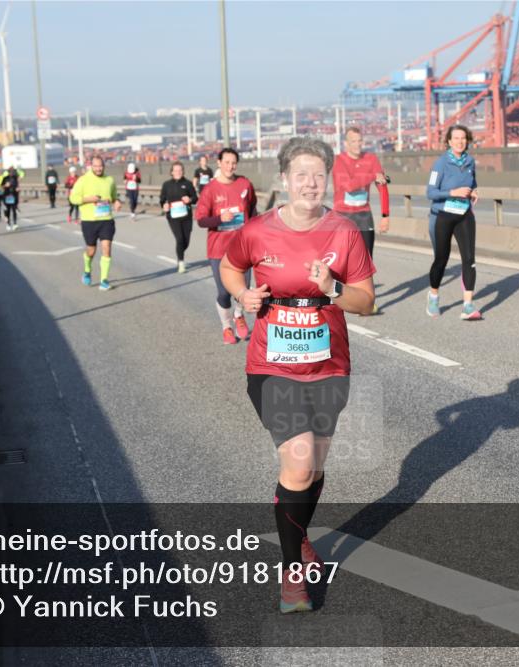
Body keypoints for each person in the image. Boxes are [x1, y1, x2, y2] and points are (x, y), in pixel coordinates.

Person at [219, 137, 375, 613]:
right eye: (301, 173)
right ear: (284, 180)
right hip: (271, 364)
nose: (310, 182)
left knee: (316, 468)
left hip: (329, 365)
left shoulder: (344, 232)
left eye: (318, 174)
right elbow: (230, 266)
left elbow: (366, 302)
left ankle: (299, 535)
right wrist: (242, 294)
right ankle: (292, 576)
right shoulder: (258, 231)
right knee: (300, 462)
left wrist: (332, 289)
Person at [195, 148, 256, 344]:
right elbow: (201, 221)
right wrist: (219, 219)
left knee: (243, 289)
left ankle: (239, 315)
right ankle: (226, 327)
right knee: (223, 292)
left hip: (242, 247)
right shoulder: (210, 190)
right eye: (227, 162)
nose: (230, 166)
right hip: (218, 249)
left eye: (233, 162)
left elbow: (253, 209)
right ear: (219, 163)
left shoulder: (244, 184)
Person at [425, 124, 481, 320]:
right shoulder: (440, 164)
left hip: (464, 214)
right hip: (443, 216)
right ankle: (433, 295)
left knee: (469, 259)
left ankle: (468, 305)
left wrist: (473, 191)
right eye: (456, 138)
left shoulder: (470, 162)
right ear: (449, 141)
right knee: (442, 259)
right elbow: (430, 193)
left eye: (463, 138)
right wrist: (452, 193)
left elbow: (472, 183)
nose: (460, 141)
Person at [332, 126, 390, 259]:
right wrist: (371, 176)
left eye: (360, 140)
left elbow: (382, 186)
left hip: (364, 214)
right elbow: (348, 186)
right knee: (344, 259)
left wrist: (385, 215)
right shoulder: (338, 160)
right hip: (343, 214)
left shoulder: (371, 159)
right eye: (353, 141)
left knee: (367, 259)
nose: (358, 144)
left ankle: (366, 280)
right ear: (345, 144)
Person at [68, 156, 122, 291]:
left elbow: (115, 195)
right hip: (89, 221)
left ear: (104, 166)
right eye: (96, 166)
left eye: (101, 166)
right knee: (91, 250)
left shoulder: (109, 180)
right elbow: (73, 198)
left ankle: (104, 280)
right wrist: (88, 199)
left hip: (106, 220)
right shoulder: (83, 180)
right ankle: (87, 269)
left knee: (107, 248)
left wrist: (117, 201)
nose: (99, 168)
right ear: (91, 166)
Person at [159, 161, 197, 273]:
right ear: (171, 172)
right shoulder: (166, 185)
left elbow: (195, 198)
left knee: (186, 241)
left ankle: (179, 252)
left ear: (183, 171)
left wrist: (189, 200)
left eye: (180, 170)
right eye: (175, 170)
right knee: (179, 239)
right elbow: (162, 199)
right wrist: (164, 205)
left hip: (186, 216)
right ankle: (181, 262)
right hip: (173, 216)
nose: (178, 172)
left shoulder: (188, 183)